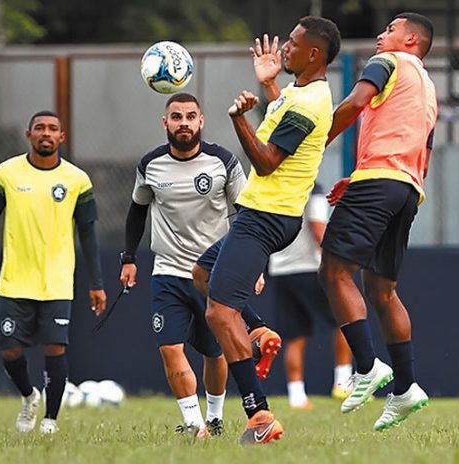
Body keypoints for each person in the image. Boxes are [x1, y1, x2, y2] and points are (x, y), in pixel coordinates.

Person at [199, 16, 341, 445]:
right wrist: (269, 87)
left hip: (268, 217)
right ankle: (258, 330)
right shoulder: (296, 94)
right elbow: (282, 120)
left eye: (294, 43)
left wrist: (239, 119)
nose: (285, 49)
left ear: (314, 54)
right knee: (203, 273)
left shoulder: (308, 103)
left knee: (220, 314)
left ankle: (259, 416)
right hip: (261, 212)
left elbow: (266, 161)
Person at [119, 92, 275, 438]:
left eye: (191, 116)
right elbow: (137, 210)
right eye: (177, 117)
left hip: (213, 274)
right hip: (168, 273)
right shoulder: (150, 165)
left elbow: (247, 216)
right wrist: (129, 258)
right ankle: (193, 423)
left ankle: (215, 417)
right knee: (169, 347)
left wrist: (255, 265)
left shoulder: (224, 162)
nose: (184, 123)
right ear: (165, 123)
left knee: (212, 352)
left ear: (201, 121)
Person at [318, 12, 437, 431]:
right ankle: (405, 388)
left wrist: (309, 148)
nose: (380, 35)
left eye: (390, 30)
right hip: (406, 188)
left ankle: (367, 367)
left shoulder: (387, 63)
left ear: (411, 41)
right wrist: (362, 175)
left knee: (333, 271)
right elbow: (418, 146)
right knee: (382, 290)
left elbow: (353, 104)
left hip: (382, 181)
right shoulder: (427, 87)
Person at [0, 111, 107, 435]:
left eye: (52, 129)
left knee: (55, 349)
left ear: (62, 137)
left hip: (57, 282)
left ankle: (50, 420)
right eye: (40, 128)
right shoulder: (7, 173)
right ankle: (28, 395)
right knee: (10, 350)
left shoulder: (77, 180)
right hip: (15, 280)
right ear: (28, 134)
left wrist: (96, 283)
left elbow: (87, 233)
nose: (46, 133)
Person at [266, 183, 352, 409]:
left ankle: (297, 396)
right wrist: (338, 259)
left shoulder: (274, 190)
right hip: (311, 270)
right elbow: (317, 230)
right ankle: (343, 384)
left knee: (295, 335)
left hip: (281, 270)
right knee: (348, 319)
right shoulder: (312, 189)